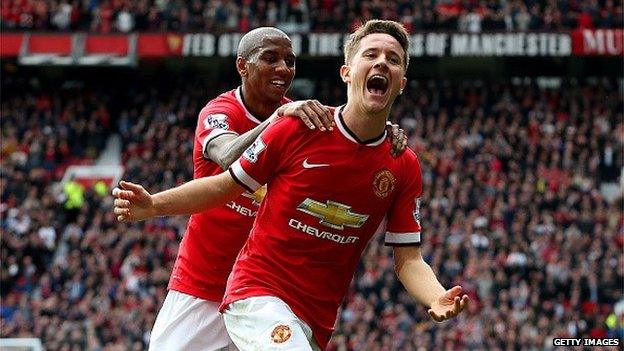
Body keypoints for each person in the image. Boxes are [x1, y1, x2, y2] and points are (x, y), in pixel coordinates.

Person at [113, 20, 467, 351]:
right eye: (270, 59)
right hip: (219, 285)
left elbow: (409, 258)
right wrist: (155, 205)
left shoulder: (388, 156)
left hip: (308, 312)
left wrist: (435, 295)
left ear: (402, 81)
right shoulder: (264, 120)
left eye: (290, 61)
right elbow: (226, 173)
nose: (283, 69)